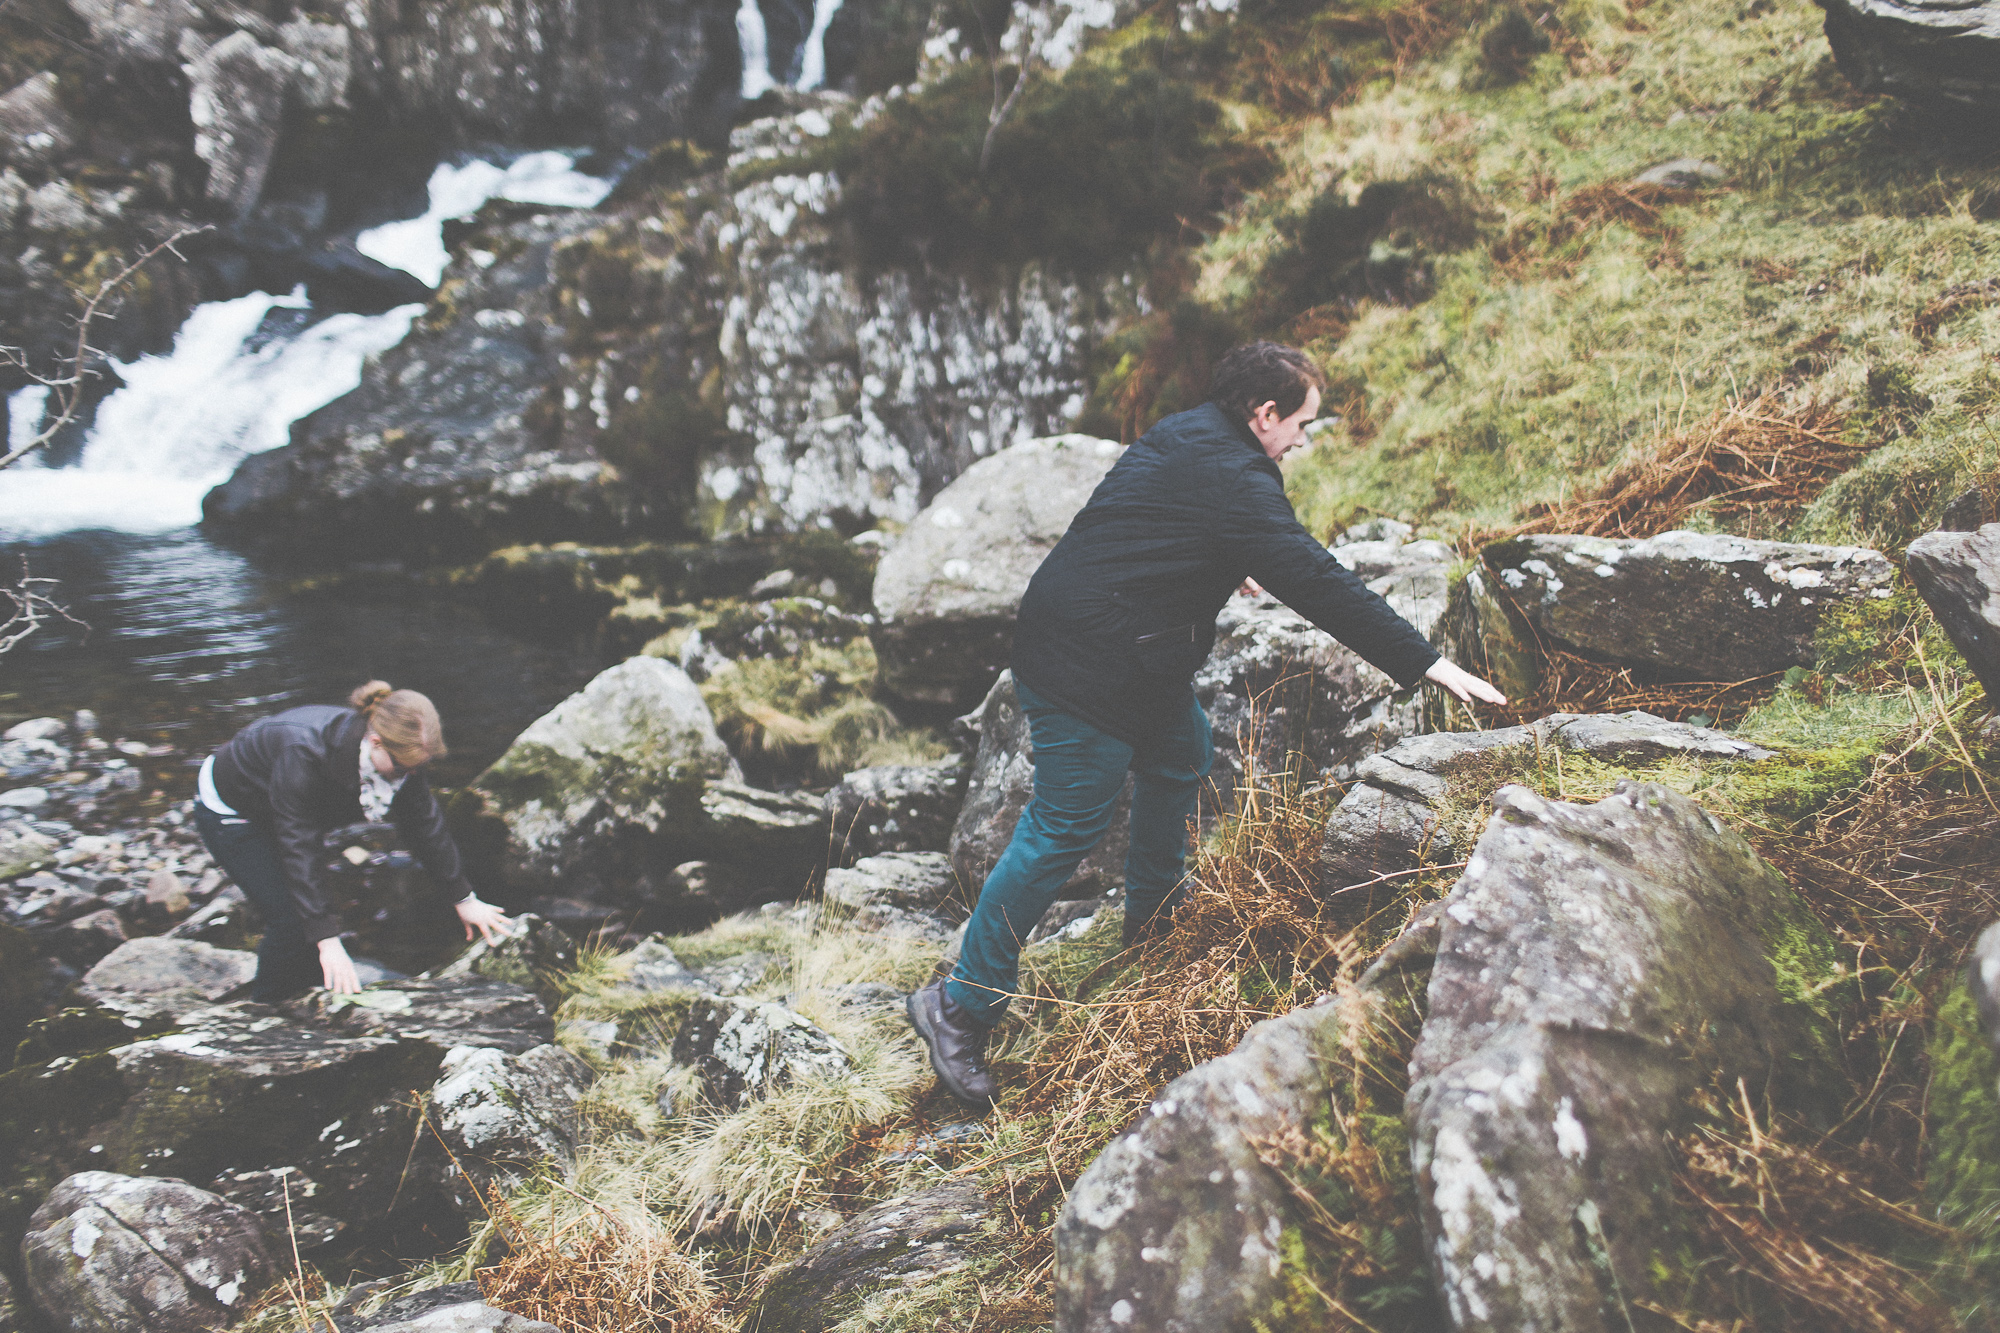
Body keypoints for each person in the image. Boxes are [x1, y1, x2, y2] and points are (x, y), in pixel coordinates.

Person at [905, 341, 1508, 1109]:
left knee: (1181, 748)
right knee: (1063, 825)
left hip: (1123, 647)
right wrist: (1424, 661)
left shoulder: (1190, 433)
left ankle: (1152, 924)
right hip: (1086, 665)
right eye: (1302, 424)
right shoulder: (1235, 480)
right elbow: (1318, 579)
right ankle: (961, 1005)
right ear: (1264, 414)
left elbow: (1147, 511)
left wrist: (1220, 552)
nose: (1303, 438)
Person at [193, 680, 514, 1002]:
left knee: (313, 915)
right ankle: (265, 1010)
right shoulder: (305, 752)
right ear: (376, 742)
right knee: (291, 919)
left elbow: (426, 827)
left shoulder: (402, 765)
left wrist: (464, 898)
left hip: (283, 804)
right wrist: (328, 939)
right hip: (232, 810)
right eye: (403, 768)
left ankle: (313, 995)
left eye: (420, 768)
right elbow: (299, 847)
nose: (411, 776)